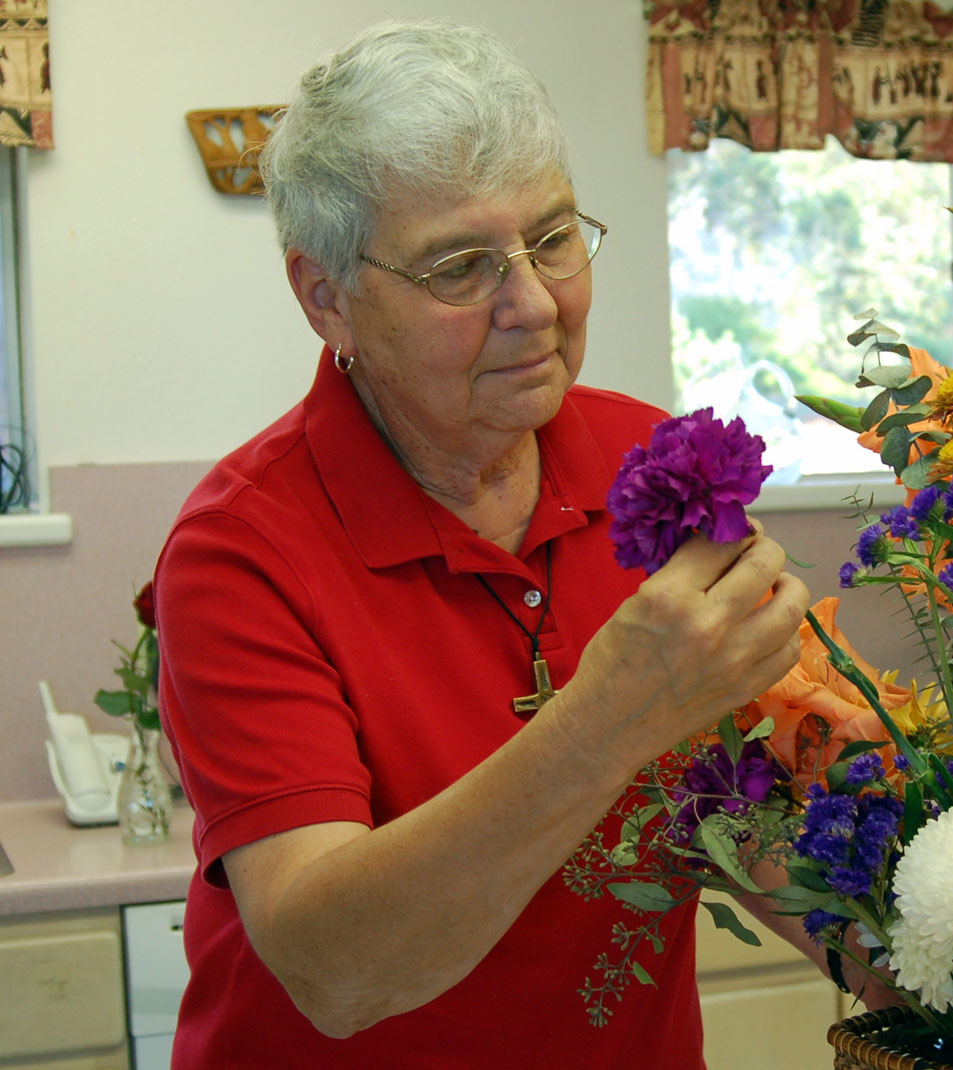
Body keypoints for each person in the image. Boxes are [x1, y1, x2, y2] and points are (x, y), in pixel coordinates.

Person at [153, 21, 810, 1067]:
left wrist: (945, 975)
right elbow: (337, 971)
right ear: (327, 298)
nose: (536, 304)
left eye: (551, 238)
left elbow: (766, 811)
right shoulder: (239, 549)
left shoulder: (652, 458)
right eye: (461, 267)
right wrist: (608, 719)